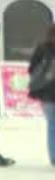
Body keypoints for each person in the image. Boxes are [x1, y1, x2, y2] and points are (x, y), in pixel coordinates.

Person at [30, 28, 55, 166]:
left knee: (52, 125)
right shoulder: (42, 48)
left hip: (46, 92)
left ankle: (54, 156)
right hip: (48, 93)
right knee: (52, 124)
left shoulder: (42, 48)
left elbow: (31, 69)